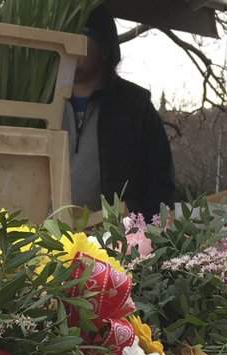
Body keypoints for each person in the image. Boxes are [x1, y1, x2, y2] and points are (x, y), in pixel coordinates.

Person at [63, 6, 176, 219]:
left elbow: (160, 181)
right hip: (46, 236)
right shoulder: (42, 101)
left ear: (105, 49)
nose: (70, 43)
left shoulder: (134, 105)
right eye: (66, 34)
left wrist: (153, 238)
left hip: (115, 242)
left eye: (81, 34)